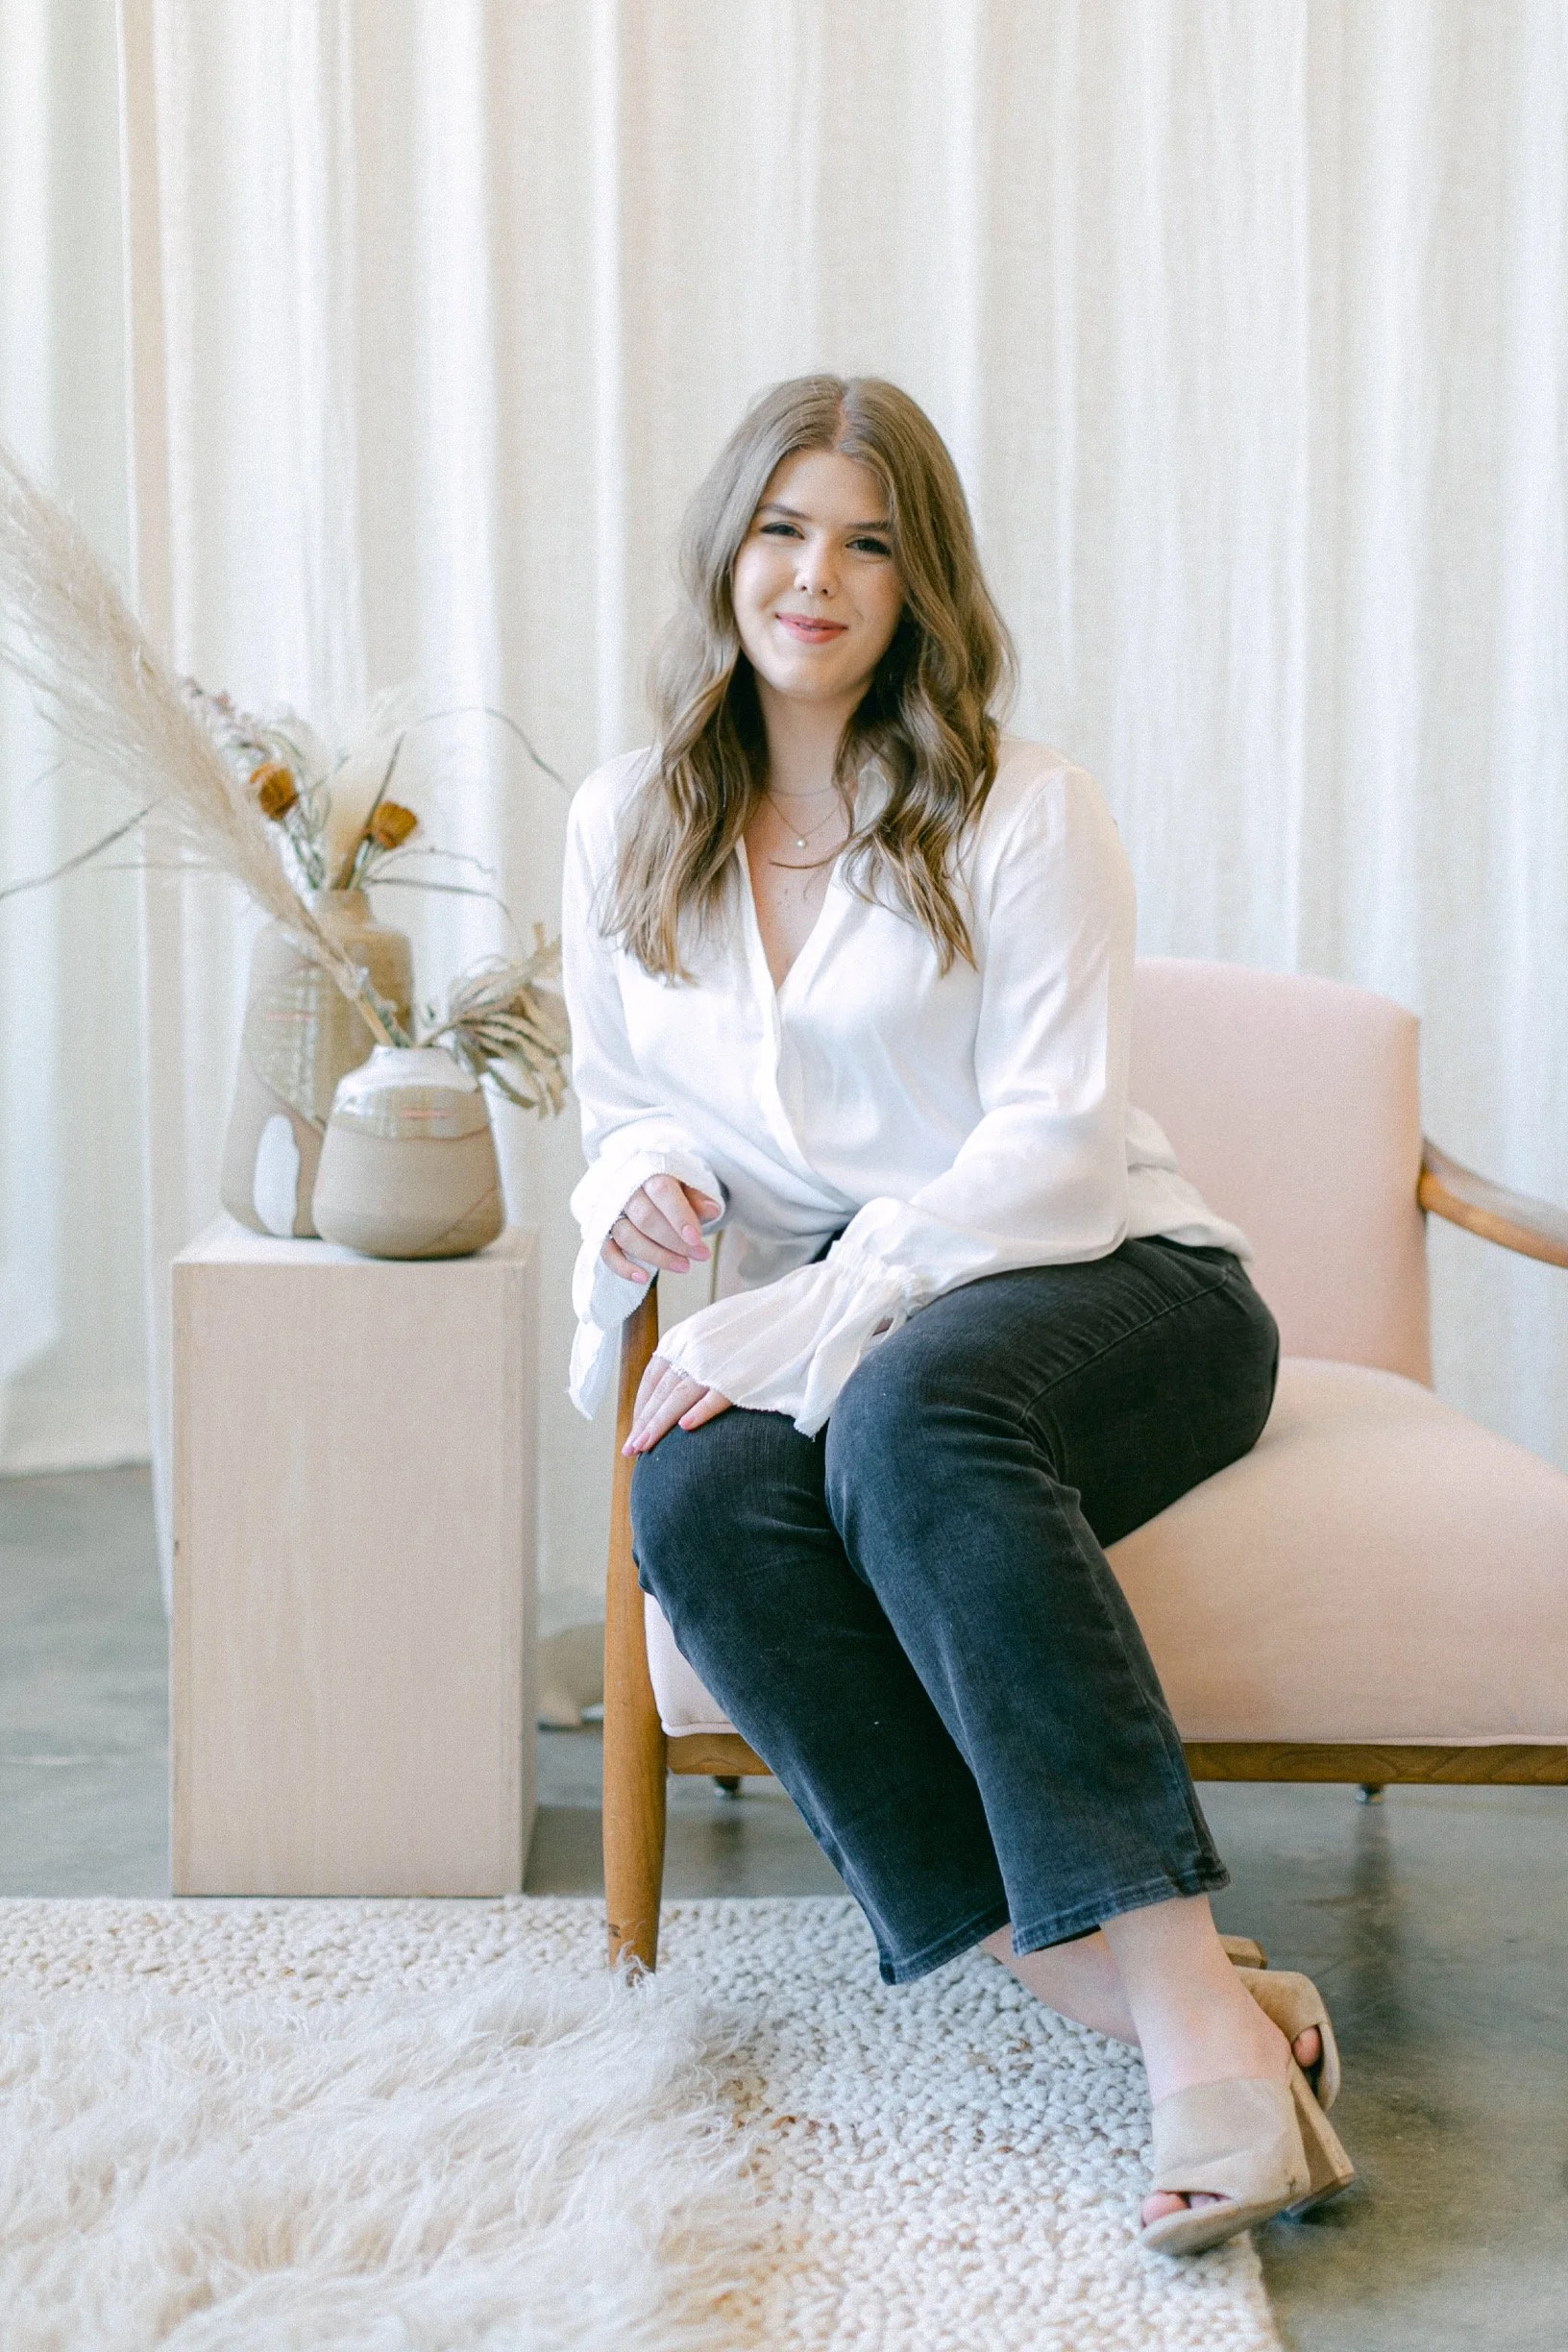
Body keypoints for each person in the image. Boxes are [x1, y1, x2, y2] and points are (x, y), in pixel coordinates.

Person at [560, 374, 1354, 2256]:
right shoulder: (624, 823)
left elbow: (1060, 1158)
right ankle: (1091, 1973)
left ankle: (1199, 2046)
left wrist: (819, 1314)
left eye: (867, 541)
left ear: (921, 586)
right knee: (692, 1498)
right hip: (852, 1319)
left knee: (916, 1412)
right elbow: (614, 1102)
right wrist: (644, 1187)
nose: (815, 576)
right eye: (783, 528)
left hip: (1111, 1283)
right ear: (726, 550)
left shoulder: (1018, 811)